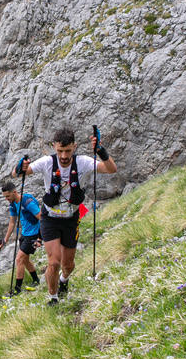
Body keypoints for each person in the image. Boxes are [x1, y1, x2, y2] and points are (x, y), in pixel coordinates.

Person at [14, 126, 116, 305]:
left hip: (71, 219)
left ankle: (64, 280)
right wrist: (20, 166)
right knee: (53, 262)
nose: (63, 156)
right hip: (50, 219)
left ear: (74, 147)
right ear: (54, 147)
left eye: (68, 151)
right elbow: (17, 174)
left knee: (68, 265)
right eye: (60, 150)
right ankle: (53, 298)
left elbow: (110, 169)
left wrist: (100, 150)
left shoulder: (83, 162)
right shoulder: (47, 162)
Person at [0, 180, 41, 292]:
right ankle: (36, 280)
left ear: (15, 192)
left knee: (19, 260)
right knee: (25, 260)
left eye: (8, 196)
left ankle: (17, 290)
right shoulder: (13, 204)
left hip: (33, 234)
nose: (6, 199)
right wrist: (5, 240)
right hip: (24, 234)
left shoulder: (27, 202)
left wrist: (40, 238)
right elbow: (12, 223)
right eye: (5, 196)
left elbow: (41, 218)